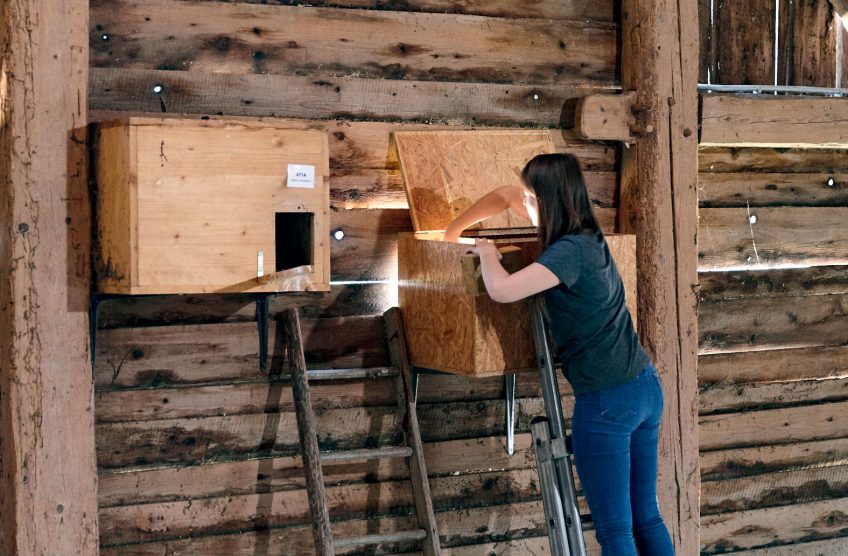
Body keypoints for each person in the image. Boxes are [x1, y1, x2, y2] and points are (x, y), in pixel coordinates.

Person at [443, 153, 675, 556]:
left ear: (545, 200)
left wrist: (486, 254)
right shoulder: (587, 235)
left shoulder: (566, 252)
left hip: (607, 400)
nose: (523, 203)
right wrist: (453, 230)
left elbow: (502, 290)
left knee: (615, 532)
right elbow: (505, 194)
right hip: (644, 387)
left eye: (530, 198)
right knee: (646, 517)